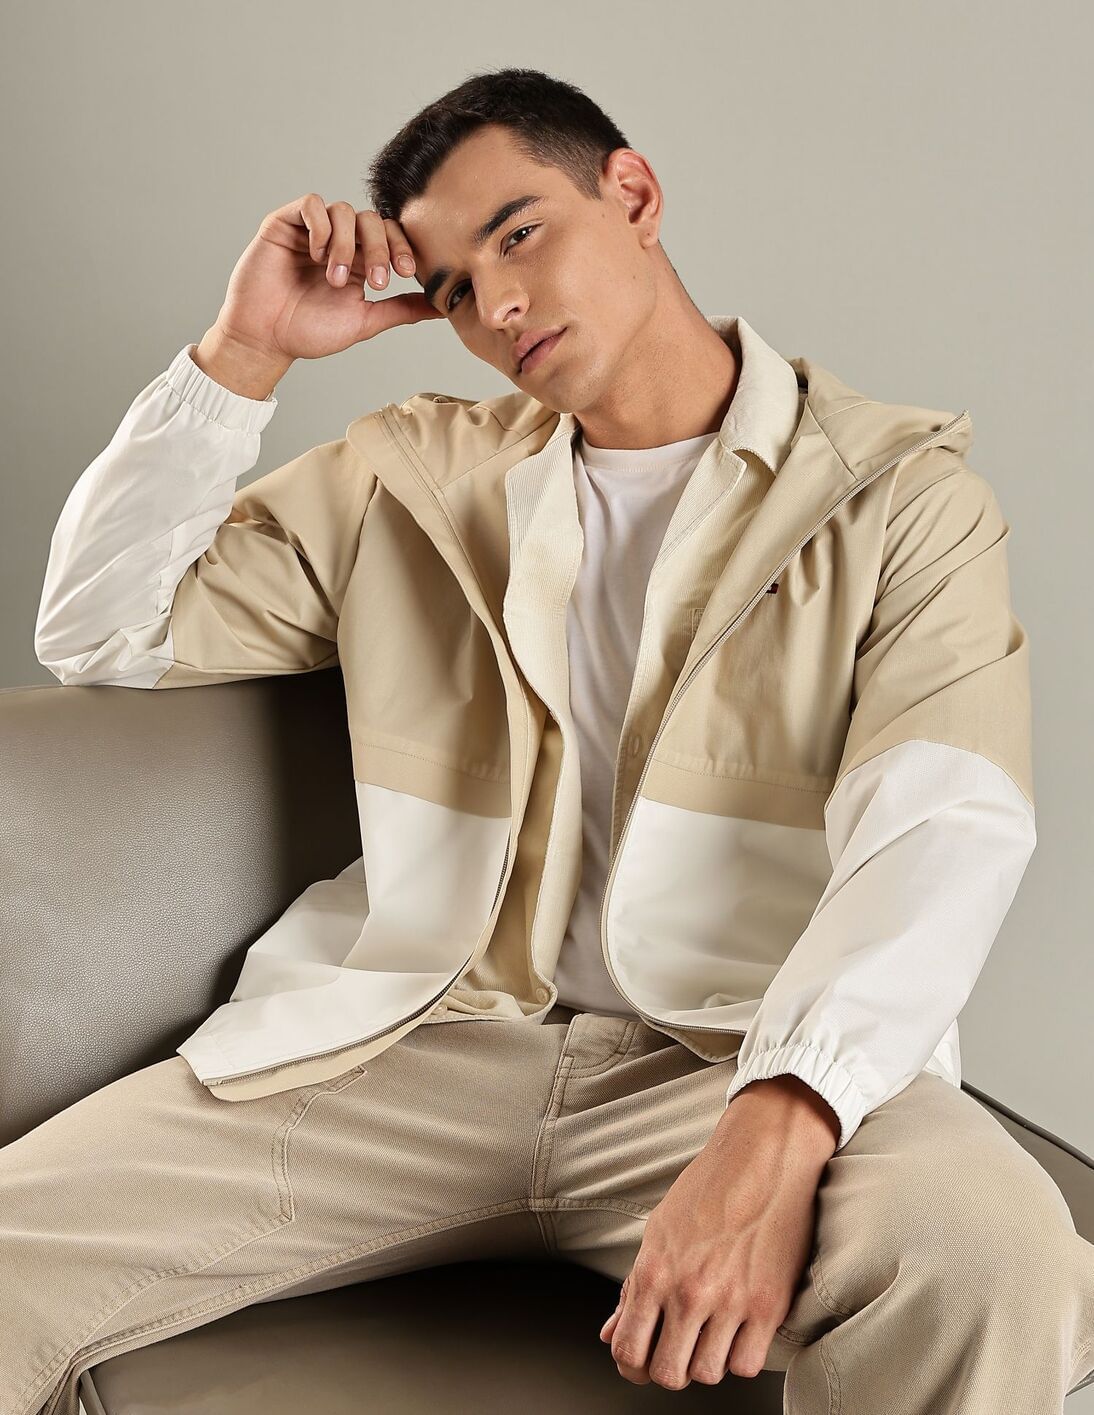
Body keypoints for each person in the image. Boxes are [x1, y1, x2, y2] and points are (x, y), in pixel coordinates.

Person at [10, 65, 1094, 1414]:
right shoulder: (411, 477)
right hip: (406, 1049)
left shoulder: (896, 498)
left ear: (632, 193)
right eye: (455, 289)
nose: (500, 304)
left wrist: (783, 1118)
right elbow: (103, 632)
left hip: (728, 1061)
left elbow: (941, 833)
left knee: (986, 1256)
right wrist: (247, 351)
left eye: (519, 234)